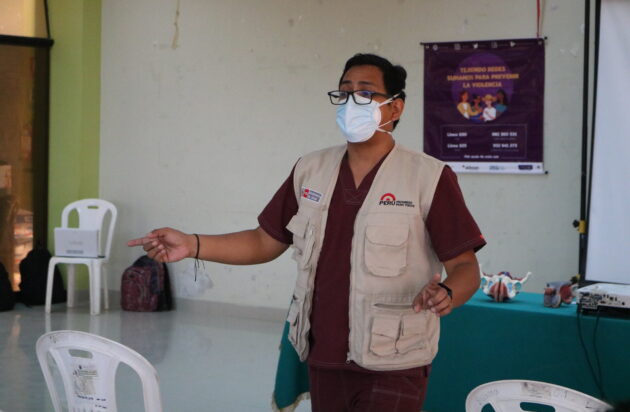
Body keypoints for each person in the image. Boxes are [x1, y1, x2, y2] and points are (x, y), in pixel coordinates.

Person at [128, 53, 485, 412]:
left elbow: (465, 266)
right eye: (344, 92)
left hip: (394, 359)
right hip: (323, 354)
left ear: (395, 107)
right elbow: (264, 241)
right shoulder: (311, 169)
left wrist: (448, 293)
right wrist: (192, 244)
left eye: (365, 93)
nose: (351, 103)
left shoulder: (428, 177)